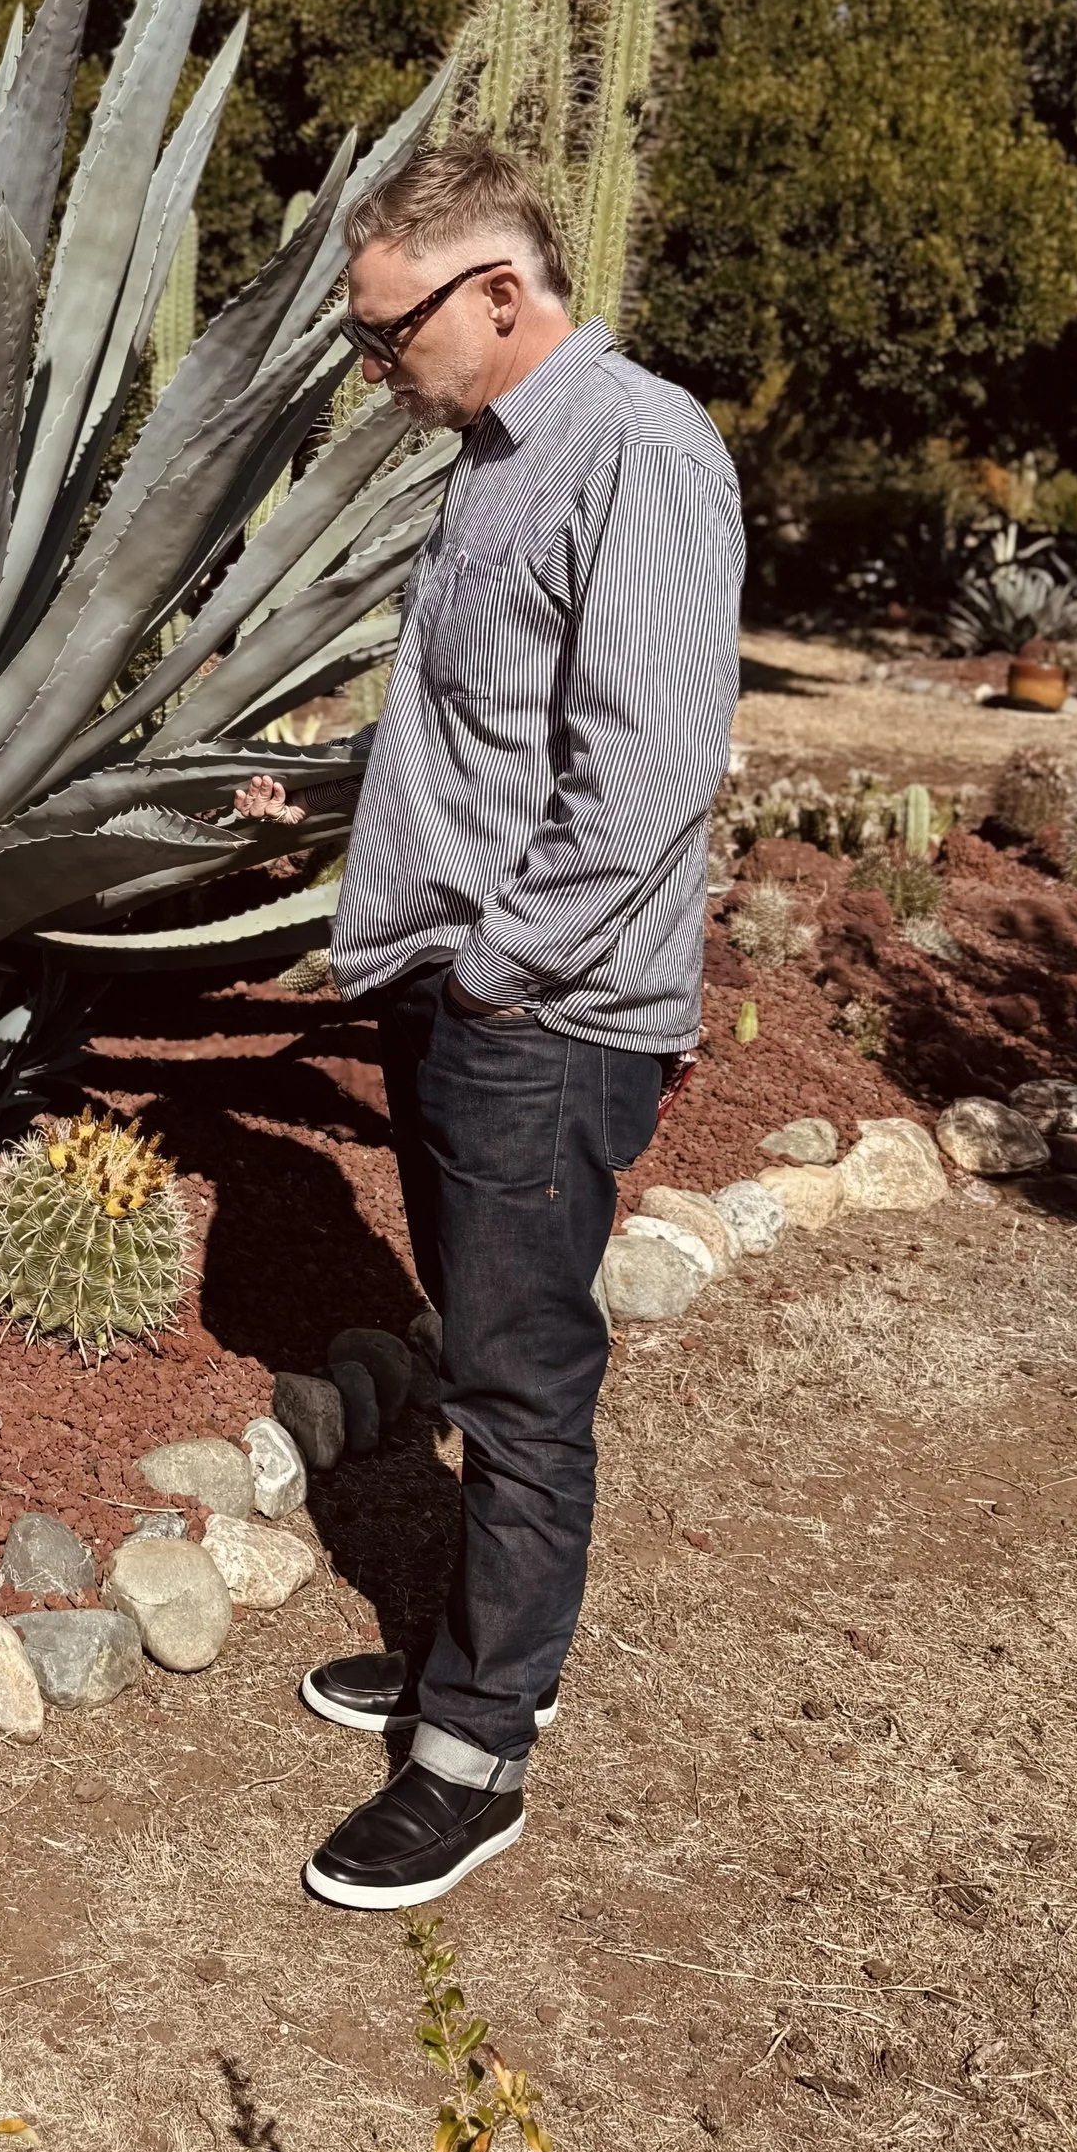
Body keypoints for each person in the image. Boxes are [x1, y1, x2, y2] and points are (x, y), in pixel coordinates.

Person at [299, 135, 743, 1912]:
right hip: (463, 985)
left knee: (522, 1382)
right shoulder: (488, 458)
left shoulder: (639, 448)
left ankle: (477, 1750)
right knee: (484, 1350)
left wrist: (502, 969)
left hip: (539, 1009)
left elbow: (645, 774)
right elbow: (485, 729)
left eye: (386, 333)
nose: (373, 368)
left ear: (499, 293)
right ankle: (457, 1656)